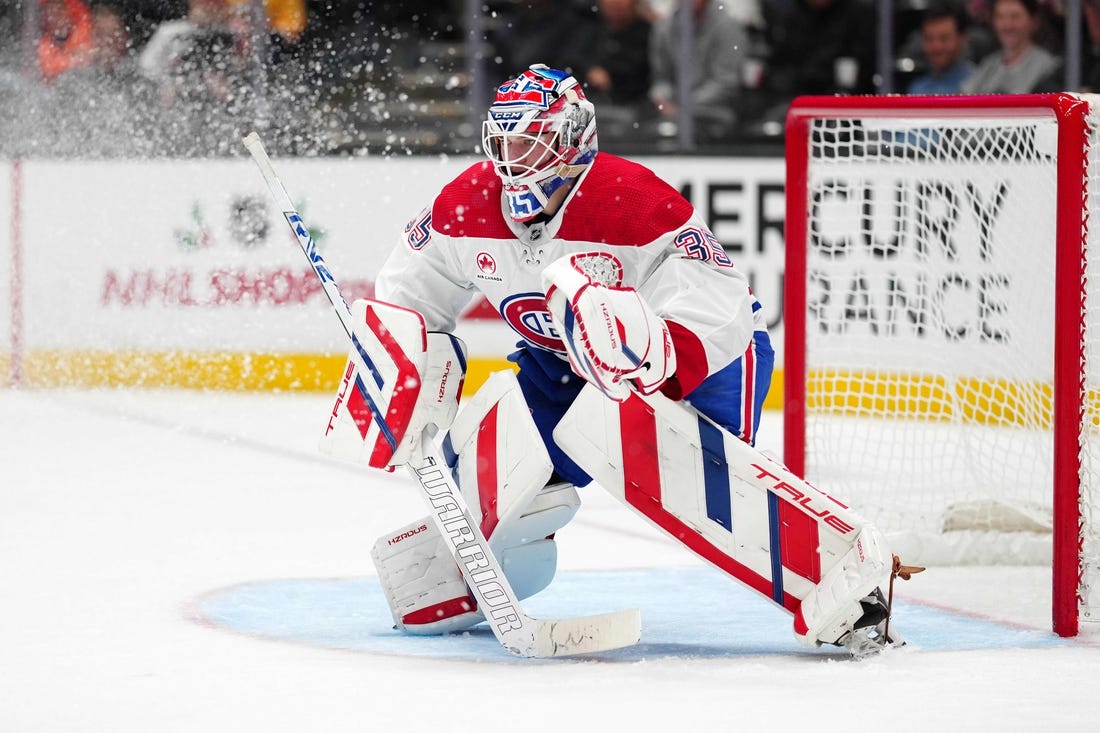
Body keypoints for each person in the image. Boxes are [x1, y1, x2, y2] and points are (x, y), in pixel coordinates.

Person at [364, 64, 899, 654]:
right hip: (562, 362)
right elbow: (406, 298)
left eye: (531, 141)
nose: (514, 159)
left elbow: (717, 304)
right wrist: (403, 371)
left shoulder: (634, 203)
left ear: (571, 139)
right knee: (497, 459)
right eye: (506, 142)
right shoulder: (464, 206)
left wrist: (657, 365)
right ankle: (467, 572)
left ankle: (850, 592)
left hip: (702, 361)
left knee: (697, 482)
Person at [648, 0, 746, 142]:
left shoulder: (728, 27)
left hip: (715, 113)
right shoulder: (664, 28)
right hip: (671, 112)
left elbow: (726, 82)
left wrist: (685, 104)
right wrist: (661, 98)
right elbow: (661, 77)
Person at [961, 0, 1059, 94]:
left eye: (1015, 17)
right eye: (1000, 17)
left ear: (1034, 21)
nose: (1007, 25)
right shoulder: (988, 65)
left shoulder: (1048, 67)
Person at [907, 1, 976, 94]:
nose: (936, 47)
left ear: (963, 38)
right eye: (929, 39)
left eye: (944, 39)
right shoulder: (917, 89)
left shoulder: (979, 84)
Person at [37, 0, 96, 81]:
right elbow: (49, 68)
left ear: (69, 11)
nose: (56, 15)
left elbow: (86, 59)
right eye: (51, 11)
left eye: (60, 9)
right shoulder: (42, 44)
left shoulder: (84, 31)